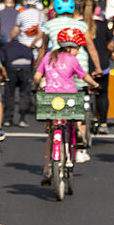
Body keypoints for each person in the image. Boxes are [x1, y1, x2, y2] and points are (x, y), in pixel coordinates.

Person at [34, 27, 100, 177]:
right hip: (69, 99)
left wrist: (38, 84)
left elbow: (37, 76)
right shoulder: (73, 60)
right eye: (78, 48)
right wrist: (95, 85)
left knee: (51, 134)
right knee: (75, 117)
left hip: (50, 100)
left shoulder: (49, 56)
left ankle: (46, 168)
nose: (78, 51)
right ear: (71, 48)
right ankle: (77, 133)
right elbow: (84, 76)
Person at [36, 0, 102, 89]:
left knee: (58, 92)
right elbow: (91, 48)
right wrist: (98, 68)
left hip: (56, 62)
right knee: (80, 95)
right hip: (80, 61)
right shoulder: (81, 25)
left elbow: (43, 48)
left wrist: (38, 68)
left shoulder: (49, 25)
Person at [81, 0, 114, 134]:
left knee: (80, 94)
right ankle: (103, 123)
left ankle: (79, 124)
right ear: (96, 9)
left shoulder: (78, 26)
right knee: (102, 94)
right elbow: (110, 45)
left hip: (83, 66)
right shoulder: (103, 25)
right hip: (102, 64)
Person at [0, 34, 33, 127]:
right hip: (26, 67)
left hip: (12, 68)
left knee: (9, 94)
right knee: (24, 93)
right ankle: (22, 119)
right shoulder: (25, 47)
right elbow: (31, 57)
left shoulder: (5, 47)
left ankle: (8, 119)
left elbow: (1, 60)